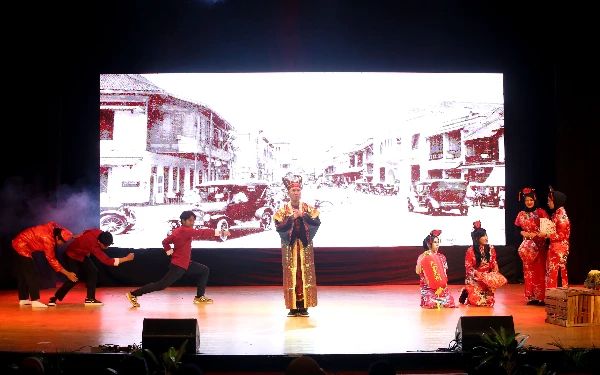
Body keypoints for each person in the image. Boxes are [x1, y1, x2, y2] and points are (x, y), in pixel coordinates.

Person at [125, 210, 229, 307]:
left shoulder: (178, 230)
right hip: (179, 266)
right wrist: (221, 232)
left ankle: (199, 297)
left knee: (204, 270)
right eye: (190, 220)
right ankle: (133, 294)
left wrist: (169, 252)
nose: (192, 223)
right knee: (161, 285)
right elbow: (202, 232)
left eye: (193, 221)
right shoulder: (185, 230)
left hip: (185, 264)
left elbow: (165, 241)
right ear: (183, 221)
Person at [273, 176, 321, 317]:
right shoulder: (283, 210)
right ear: (288, 192)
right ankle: (293, 307)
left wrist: (303, 215)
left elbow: (316, 221)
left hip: (304, 247)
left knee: (304, 274)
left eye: (298, 190)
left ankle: (304, 305)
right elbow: (278, 225)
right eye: (293, 190)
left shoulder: (306, 208)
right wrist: (291, 219)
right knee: (292, 274)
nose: (296, 193)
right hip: (290, 247)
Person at [48, 229, 134, 306]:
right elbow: (107, 261)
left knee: (93, 271)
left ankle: (90, 299)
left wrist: (82, 241)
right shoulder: (94, 246)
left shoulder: (98, 232)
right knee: (74, 278)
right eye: (105, 246)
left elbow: (86, 231)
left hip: (82, 254)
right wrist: (126, 258)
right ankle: (54, 298)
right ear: (99, 242)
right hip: (71, 254)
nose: (107, 248)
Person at [11, 222, 78, 308]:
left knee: (23, 275)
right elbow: (52, 260)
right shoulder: (49, 240)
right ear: (57, 237)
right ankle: (35, 301)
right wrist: (67, 273)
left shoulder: (51, 227)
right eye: (63, 242)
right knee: (33, 274)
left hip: (17, 242)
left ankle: (23, 299)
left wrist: (71, 236)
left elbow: (55, 224)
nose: (62, 244)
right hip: (22, 247)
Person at [514, 187, 550, 305]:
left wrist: (537, 234)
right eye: (526, 200)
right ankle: (532, 297)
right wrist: (522, 232)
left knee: (540, 272)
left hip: (539, 247)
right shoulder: (521, 214)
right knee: (528, 272)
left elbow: (547, 228)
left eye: (531, 200)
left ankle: (541, 297)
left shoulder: (541, 212)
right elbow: (516, 227)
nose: (529, 202)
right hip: (527, 248)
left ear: (535, 200)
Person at [460, 221, 500, 307]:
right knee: (478, 302)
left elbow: (493, 261)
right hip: (475, 278)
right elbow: (468, 267)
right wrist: (477, 273)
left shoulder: (491, 248)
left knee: (489, 302)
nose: (486, 238)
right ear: (477, 238)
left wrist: (495, 269)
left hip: (486, 278)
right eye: (483, 236)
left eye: (486, 235)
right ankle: (467, 291)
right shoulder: (470, 251)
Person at [415, 229, 456, 308]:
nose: (437, 245)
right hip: (428, 288)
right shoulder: (422, 256)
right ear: (428, 244)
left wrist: (443, 287)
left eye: (438, 242)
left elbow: (444, 274)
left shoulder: (441, 257)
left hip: (440, 288)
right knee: (432, 304)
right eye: (435, 242)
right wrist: (423, 258)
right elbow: (418, 271)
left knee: (449, 302)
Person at [539, 186, 570, 289]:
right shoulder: (557, 214)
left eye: (549, 201)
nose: (548, 203)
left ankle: (558, 298)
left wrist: (546, 235)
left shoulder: (562, 217)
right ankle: (553, 297)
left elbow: (561, 236)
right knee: (552, 273)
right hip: (554, 248)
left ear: (556, 201)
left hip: (559, 249)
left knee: (558, 273)